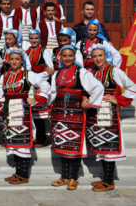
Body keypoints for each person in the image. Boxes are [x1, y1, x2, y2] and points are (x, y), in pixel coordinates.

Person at [50, 45, 103, 190]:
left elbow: (98, 87)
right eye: (64, 56)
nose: (67, 59)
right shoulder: (57, 73)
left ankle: (74, 178)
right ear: (61, 57)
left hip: (76, 113)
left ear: (75, 57)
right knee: (62, 143)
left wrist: (89, 101)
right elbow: (52, 92)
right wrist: (49, 106)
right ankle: (64, 177)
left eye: (70, 56)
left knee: (74, 145)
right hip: (59, 113)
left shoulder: (82, 72)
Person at [0, 47, 50, 185]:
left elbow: (45, 86)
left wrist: (37, 98)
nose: (14, 61)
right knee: (13, 142)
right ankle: (17, 173)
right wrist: (1, 103)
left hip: (23, 111)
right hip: (9, 111)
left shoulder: (29, 74)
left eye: (17, 59)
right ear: (8, 60)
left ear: (22, 61)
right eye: (12, 59)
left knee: (23, 142)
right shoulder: (5, 75)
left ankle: (23, 175)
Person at [87, 44, 136, 192]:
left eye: (100, 55)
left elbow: (132, 86)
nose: (97, 59)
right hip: (95, 113)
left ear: (105, 55)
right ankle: (106, 178)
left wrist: (117, 99)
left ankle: (109, 182)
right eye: (94, 56)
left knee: (108, 146)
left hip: (108, 113)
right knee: (101, 145)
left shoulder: (114, 71)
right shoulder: (92, 72)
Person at [25, 29, 54, 147]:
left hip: (40, 83)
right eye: (32, 38)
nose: (34, 40)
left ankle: (43, 138)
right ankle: (34, 137)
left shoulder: (44, 51)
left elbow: (50, 69)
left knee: (39, 112)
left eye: (36, 38)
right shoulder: (26, 51)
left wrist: (36, 78)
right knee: (31, 111)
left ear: (40, 39)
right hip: (30, 83)